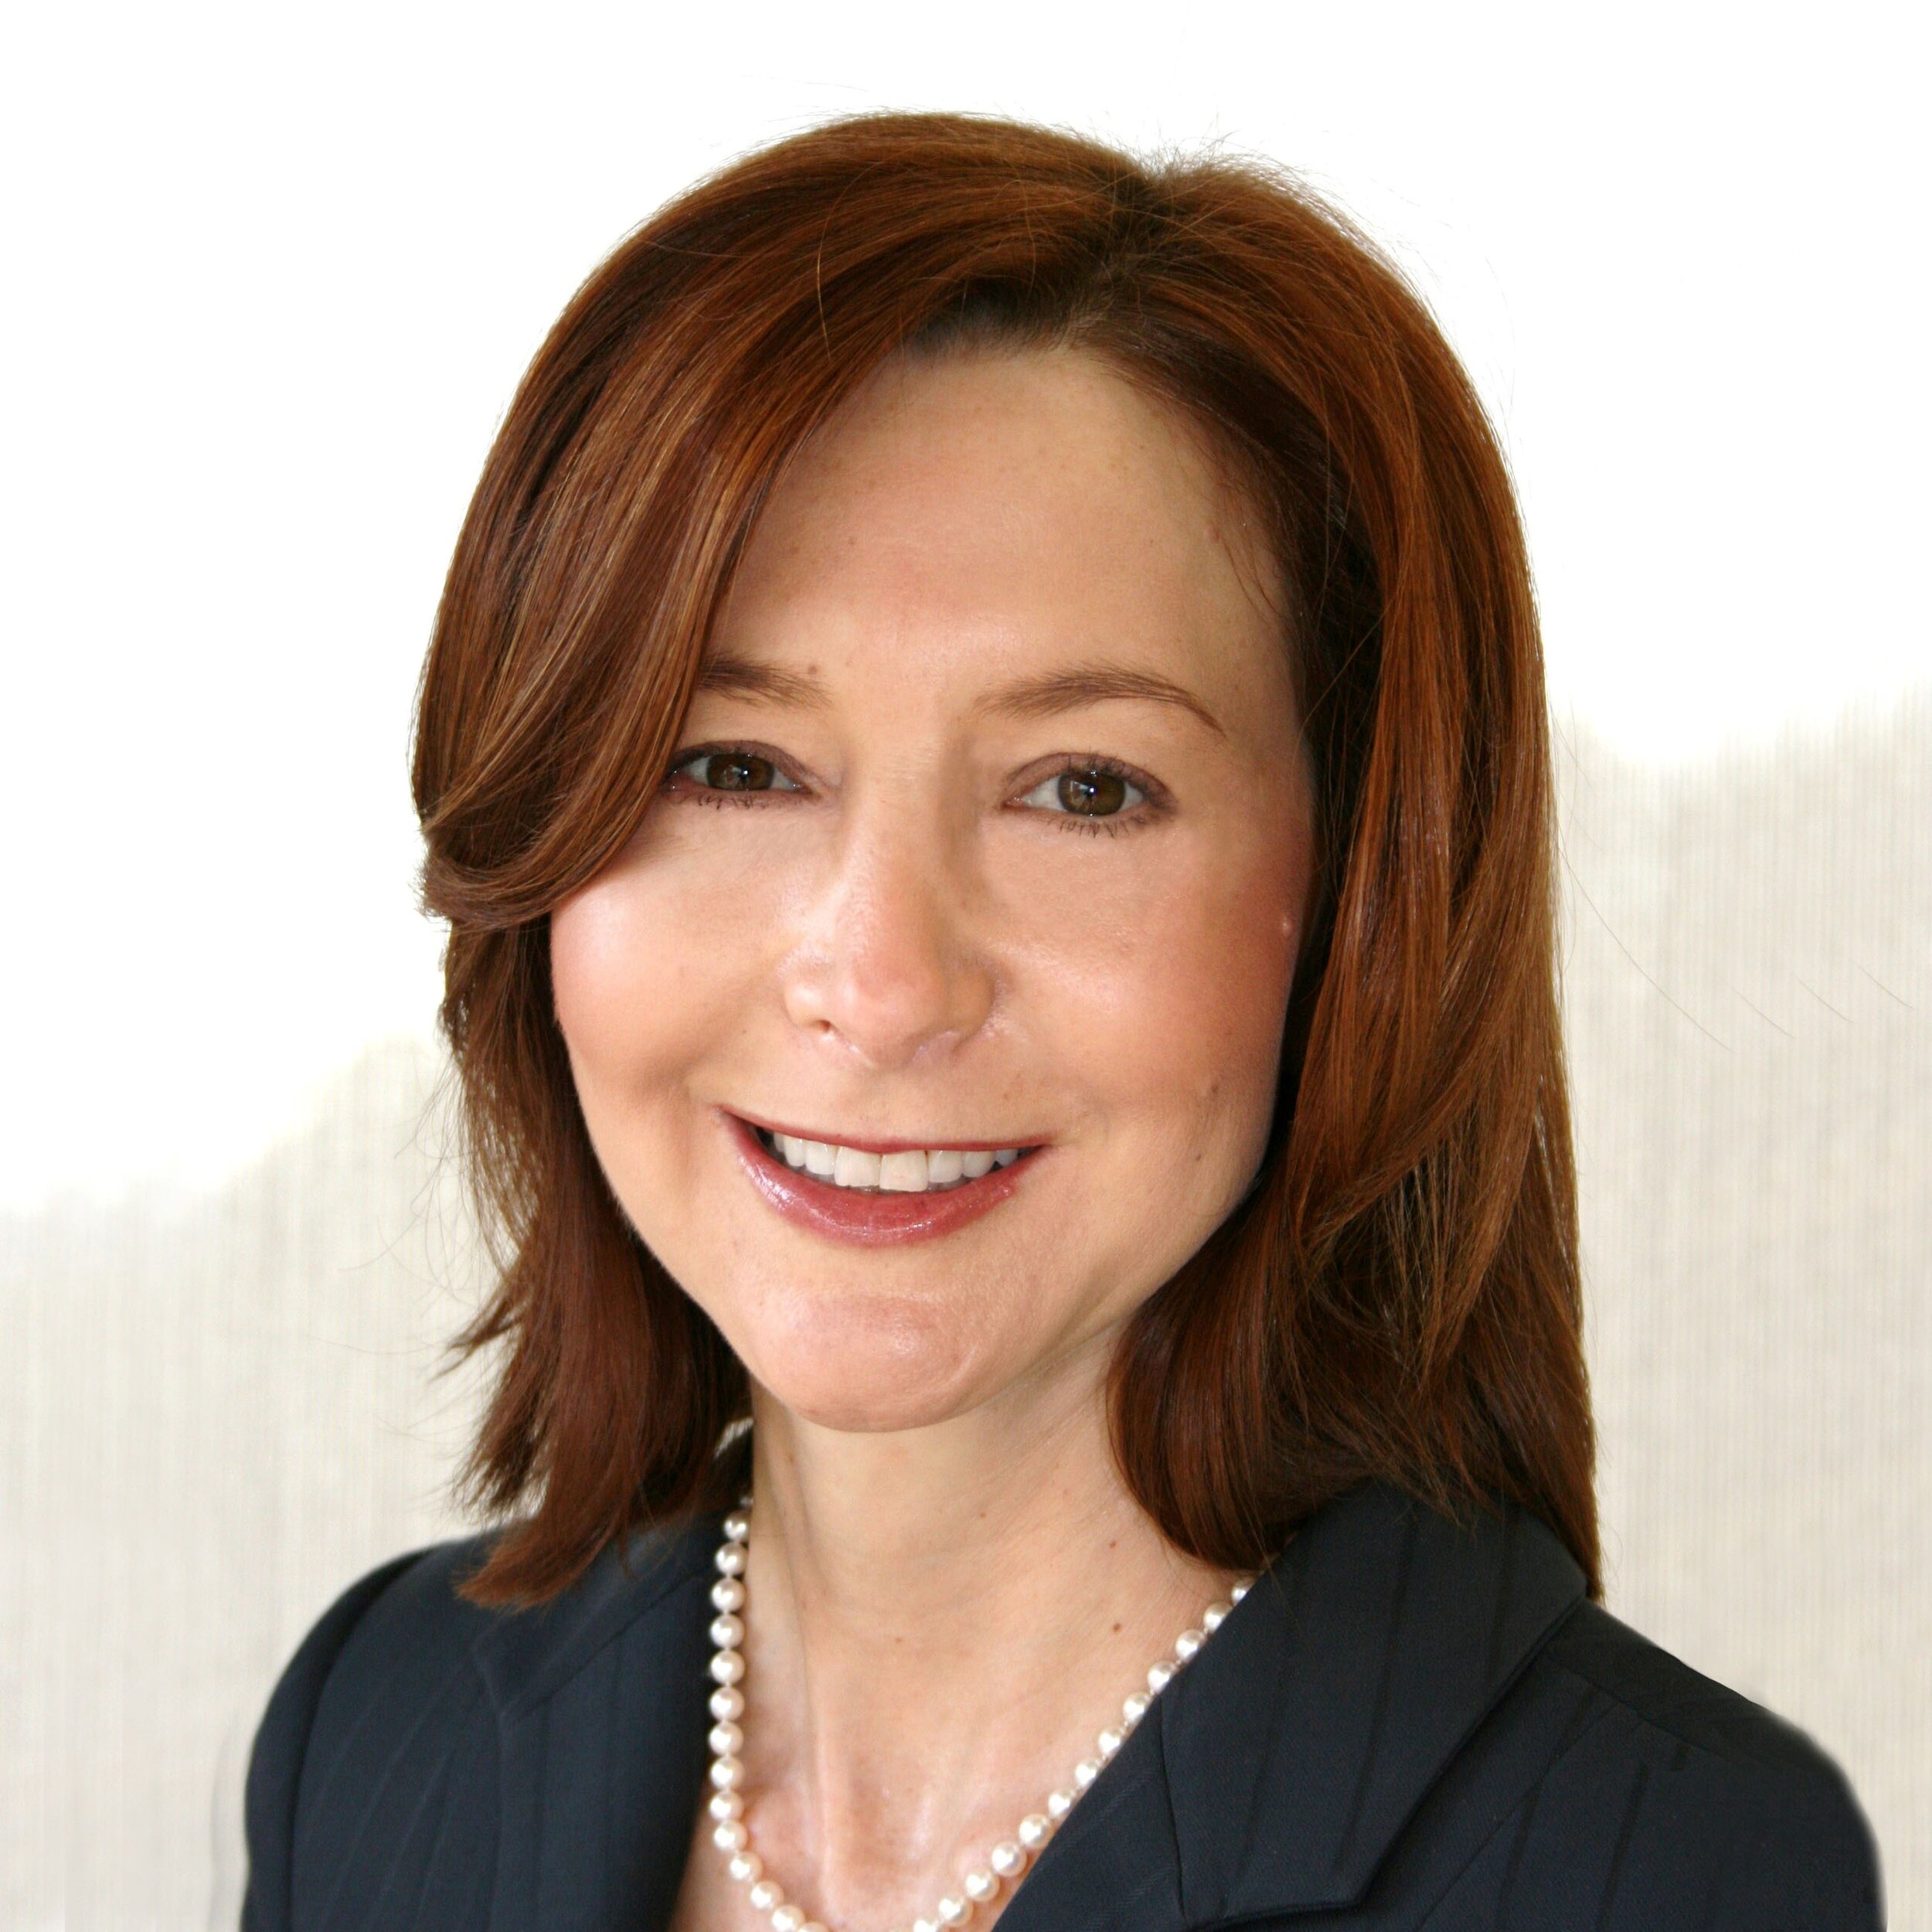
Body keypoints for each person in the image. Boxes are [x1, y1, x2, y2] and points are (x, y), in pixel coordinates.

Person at [240, 114, 1882, 1930]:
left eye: (1083, 788)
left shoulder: (1667, 1871)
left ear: (1359, 896)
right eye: (733, 764)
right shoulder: (379, 1728)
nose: (879, 983)